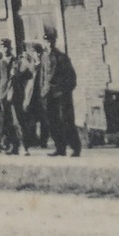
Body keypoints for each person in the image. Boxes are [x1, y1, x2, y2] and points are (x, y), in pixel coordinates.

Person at [40, 26, 83, 157]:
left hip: (61, 95)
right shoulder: (44, 57)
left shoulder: (62, 58)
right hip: (48, 94)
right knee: (52, 122)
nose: (49, 44)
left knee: (66, 121)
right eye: (47, 42)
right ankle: (60, 148)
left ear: (54, 42)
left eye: (51, 41)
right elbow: (42, 75)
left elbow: (72, 78)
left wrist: (63, 90)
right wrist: (42, 91)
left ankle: (75, 147)